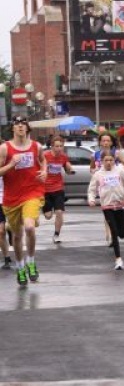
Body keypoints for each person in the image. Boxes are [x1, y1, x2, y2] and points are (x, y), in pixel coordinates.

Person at [0, 115, 48, 287]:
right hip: (11, 198)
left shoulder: (36, 146)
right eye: (16, 124)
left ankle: (31, 261)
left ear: (27, 128)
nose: (20, 126)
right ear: (12, 128)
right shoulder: (5, 149)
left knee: (29, 227)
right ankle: (20, 267)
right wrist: (11, 164)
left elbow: (43, 161)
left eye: (23, 124)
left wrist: (44, 171)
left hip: (32, 193)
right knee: (18, 235)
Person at [88, 151, 124, 270]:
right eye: (106, 160)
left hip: (120, 205)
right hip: (107, 206)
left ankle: (119, 237)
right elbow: (91, 189)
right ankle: (118, 259)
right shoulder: (98, 174)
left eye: (111, 160)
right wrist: (91, 199)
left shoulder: (120, 171)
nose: (109, 163)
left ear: (114, 160)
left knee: (121, 234)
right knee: (113, 231)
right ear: (102, 161)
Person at [42, 135, 75, 244]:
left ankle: (56, 235)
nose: (59, 148)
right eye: (57, 146)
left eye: (61, 146)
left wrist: (70, 170)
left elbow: (67, 168)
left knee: (59, 212)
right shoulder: (45, 156)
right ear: (52, 146)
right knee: (48, 216)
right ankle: (46, 209)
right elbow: (40, 168)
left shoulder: (63, 157)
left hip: (58, 188)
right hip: (45, 189)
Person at [0, 176, 13, 269]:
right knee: (1, 232)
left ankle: (10, 230)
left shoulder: (7, 164)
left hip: (9, 199)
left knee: (9, 226)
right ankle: (6, 258)